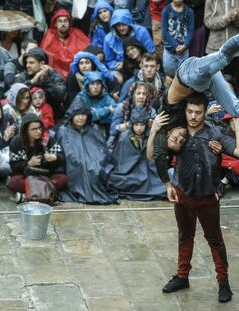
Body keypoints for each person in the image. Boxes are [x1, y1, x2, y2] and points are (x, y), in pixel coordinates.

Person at [160, 93, 238, 303]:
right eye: (190, 112)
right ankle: (182, 275)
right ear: (185, 111)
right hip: (183, 194)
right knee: (184, 236)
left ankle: (223, 283)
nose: (193, 116)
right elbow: (156, 154)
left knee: (215, 241)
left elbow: (238, 150)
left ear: (205, 112)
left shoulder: (215, 134)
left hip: (207, 197)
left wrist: (237, 121)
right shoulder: (179, 132)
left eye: (198, 112)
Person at [148, 34, 239, 185]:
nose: (180, 138)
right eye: (181, 142)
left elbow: (155, 156)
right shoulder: (190, 124)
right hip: (206, 83)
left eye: (175, 139)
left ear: (168, 133)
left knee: (223, 57)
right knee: (236, 110)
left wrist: (167, 184)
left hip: (188, 75)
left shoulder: (163, 122)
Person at [56, 105, 119, 204]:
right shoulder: (63, 131)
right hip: (73, 164)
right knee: (79, 167)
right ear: (72, 116)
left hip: (95, 162)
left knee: (96, 169)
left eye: (83, 115)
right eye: (77, 115)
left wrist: (98, 160)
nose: (81, 118)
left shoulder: (94, 129)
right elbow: (62, 152)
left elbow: (102, 149)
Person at [107, 107, 166, 200]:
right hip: (127, 173)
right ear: (132, 125)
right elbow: (118, 160)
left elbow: (153, 160)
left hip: (148, 172)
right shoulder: (124, 137)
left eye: (142, 125)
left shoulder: (151, 137)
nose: (139, 128)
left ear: (146, 125)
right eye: (136, 125)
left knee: (165, 184)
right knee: (113, 180)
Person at [8, 113, 68, 203]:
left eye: (40, 128)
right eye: (34, 129)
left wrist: (54, 157)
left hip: (46, 175)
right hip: (27, 176)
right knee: (12, 183)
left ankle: (27, 196)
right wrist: (27, 163)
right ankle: (47, 194)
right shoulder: (16, 142)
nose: (39, 131)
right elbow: (14, 165)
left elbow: (62, 157)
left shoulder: (48, 140)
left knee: (63, 179)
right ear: (25, 130)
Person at [14, 47, 67, 120]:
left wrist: (46, 82)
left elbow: (62, 96)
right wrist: (31, 82)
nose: (27, 65)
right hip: (27, 118)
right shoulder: (23, 75)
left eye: (31, 63)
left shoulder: (53, 74)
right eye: (26, 63)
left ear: (42, 63)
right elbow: (14, 94)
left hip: (54, 117)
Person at [40, 9, 90, 79]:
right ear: (55, 24)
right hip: (55, 75)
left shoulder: (78, 34)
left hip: (78, 72)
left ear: (69, 23)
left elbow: (89, 51)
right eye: (60, 21)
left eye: (65, 21)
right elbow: (43, 55)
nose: (63, 24)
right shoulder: (49, 37)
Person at [109, 81, 156, 147]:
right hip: (122, 144)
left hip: (143, 144)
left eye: (144, 94)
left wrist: (151, 125)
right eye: (138, 93)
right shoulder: (122, 108)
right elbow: (113, 130)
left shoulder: (151, 111)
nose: (141, 96)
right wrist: (128, 125)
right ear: (133, 94)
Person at [204, 0, 239, 86]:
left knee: (235, 83)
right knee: (218, 85)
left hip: (236, 50)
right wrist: (227, 18)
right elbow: (208, 22)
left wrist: (236, 19)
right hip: (215, 49)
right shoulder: (210, 1)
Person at [161, 0, 194, 78]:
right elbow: (164, 31)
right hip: (169, 50)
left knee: (183, 75)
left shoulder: (189, 12)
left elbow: (191, 30)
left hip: (184, 50)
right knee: (169, 74)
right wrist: (175, 45)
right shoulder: (166, 10)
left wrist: (185, 45)